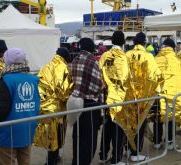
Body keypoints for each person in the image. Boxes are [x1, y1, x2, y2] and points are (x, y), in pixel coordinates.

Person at [125, 32, 161, 161]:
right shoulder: (148, 56)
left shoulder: (126, 55)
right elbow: (155, 76)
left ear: (134, 43)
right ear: (144, 43)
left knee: (128, 123)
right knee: (140, 124)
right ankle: (135, 153)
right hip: (143, 98)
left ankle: (127, 150)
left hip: (128, 97)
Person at [34, 48, 73, 165]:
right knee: (55, 138)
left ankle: (51, 160)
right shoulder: (62, 67)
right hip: (56, 109)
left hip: (43, 107)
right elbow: (63, 92)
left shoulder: (47, 66)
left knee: (49, 137)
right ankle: (51, 162)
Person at [67, 37, 103, 165]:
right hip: (90, 104)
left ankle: (76, 161)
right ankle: (84, 162)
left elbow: (71, 80)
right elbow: (99, 84)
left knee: (78, 135)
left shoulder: (75, 60)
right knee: (89, 139)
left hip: (76, 102)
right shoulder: (92, 61)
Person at [98, 31, 128, 165]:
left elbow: (99, 76)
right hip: (121, 99)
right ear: (124, 42)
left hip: (106, 97)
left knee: (107, 127)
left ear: (112, 41)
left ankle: (103, 155)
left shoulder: (104, 56)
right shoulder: (125, 57)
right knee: (119, 129)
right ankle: (116, 158)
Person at [153, 38, 181, 150]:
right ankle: (170, 142)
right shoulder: (177, 60)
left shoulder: (155, 59)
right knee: (171, 119)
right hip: (173, 95)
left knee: (158, 117)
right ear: (173, 48)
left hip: (157, 94)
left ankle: (157, 142)